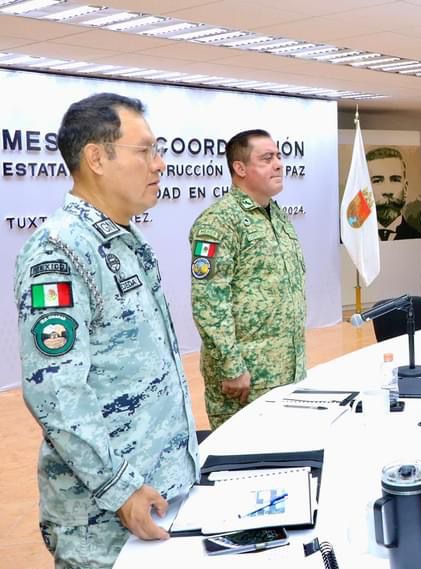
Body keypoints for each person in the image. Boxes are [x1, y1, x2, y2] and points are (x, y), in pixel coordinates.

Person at [14, 93, 199, 569]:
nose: (159, 164)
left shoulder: (123, 240)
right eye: (145, 151)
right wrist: (118, 487)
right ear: (97, 157)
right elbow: (55, 391)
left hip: (155, 489)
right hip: (104, 518)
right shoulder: (58, 252)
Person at [189, 129, 306, 429]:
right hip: (247, 380)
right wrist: (232, 367)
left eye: (279, 156)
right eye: (267, 158)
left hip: (287, 371)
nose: (279, 164)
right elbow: (209, 302)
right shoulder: (218, 222)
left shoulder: (275, 214)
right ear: (239, 168)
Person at [367, 146, 421, 240]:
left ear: (405, 188)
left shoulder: (417, 237)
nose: (388, 191)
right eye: (377, 181)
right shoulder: (350, 238)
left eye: (395, 180)